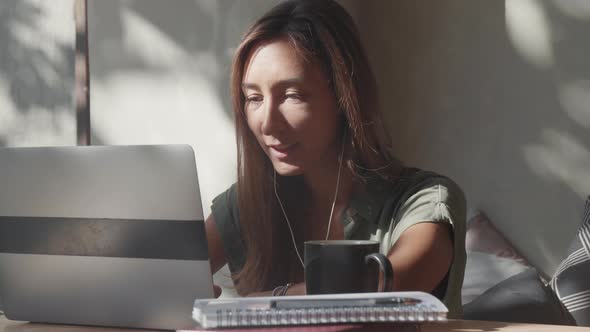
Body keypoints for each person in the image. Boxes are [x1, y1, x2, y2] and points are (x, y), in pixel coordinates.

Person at [205, 0, 466, 318]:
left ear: (344, 96)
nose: (267, 122)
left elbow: (387, 290)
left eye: (292, 95)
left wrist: (271, 300)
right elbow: (155, 276)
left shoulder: (423, 201)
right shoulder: (245, 204)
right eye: (254, 98)